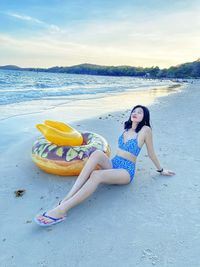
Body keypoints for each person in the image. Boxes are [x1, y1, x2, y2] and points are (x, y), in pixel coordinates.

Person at [34, 105, 175, 226]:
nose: (135, 113)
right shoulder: (126, 129)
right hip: (114, 163)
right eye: (134, 110)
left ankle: (62, 210)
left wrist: (161, 170)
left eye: (140, 112)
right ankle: (68, 197)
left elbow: (151, 153)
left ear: (144, 117)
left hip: (126, 170)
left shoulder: (145, 130)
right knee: (96, 153)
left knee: (96, 175)